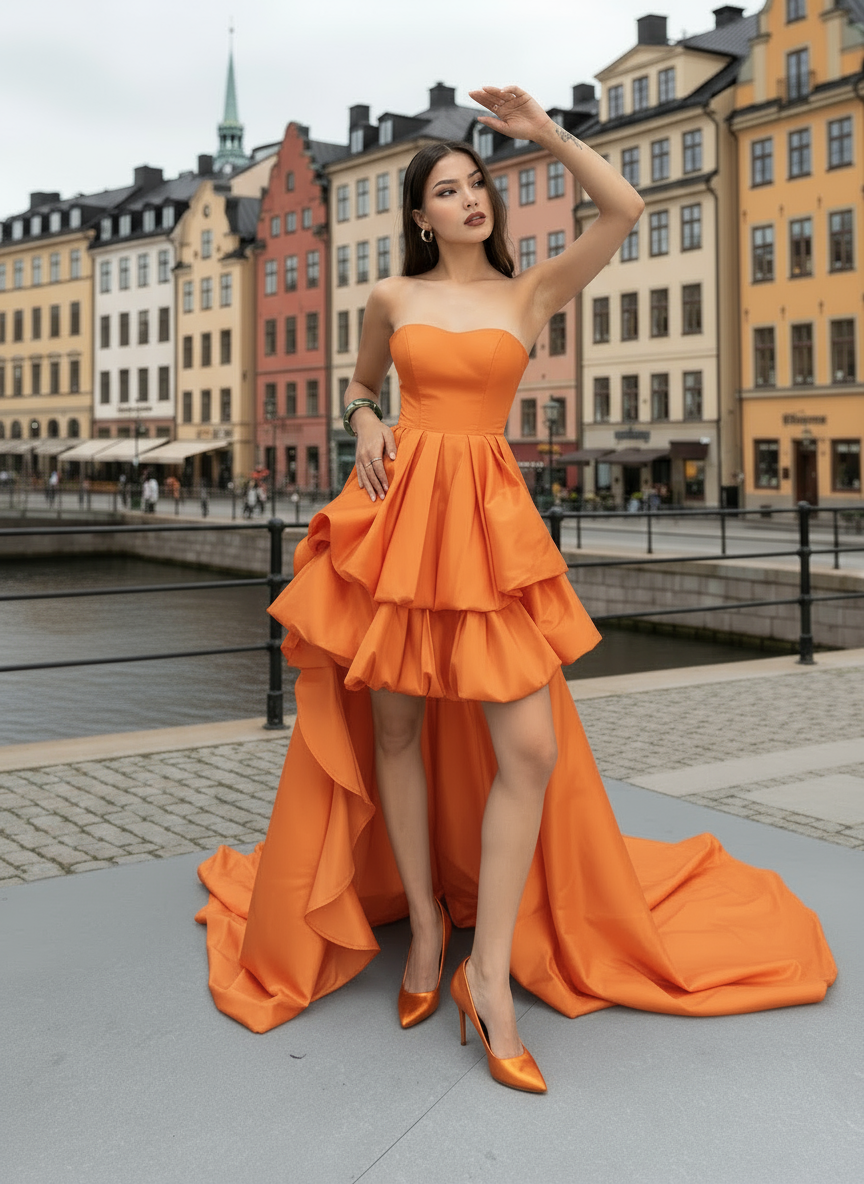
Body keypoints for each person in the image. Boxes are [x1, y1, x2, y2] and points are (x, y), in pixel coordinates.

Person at [197, 86, 835, 1091]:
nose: (470, 199)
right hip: (404, 517)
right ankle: (425, 933)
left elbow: (622, 210)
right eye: (448, 190)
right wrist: (365, 421)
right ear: (420, 215)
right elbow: (360, 386)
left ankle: (487, 971)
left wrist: (548, 137)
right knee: (396, 730)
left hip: (488, 520)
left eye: (477, 184)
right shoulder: (390, 300)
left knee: (527, 746)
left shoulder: (528, 293)